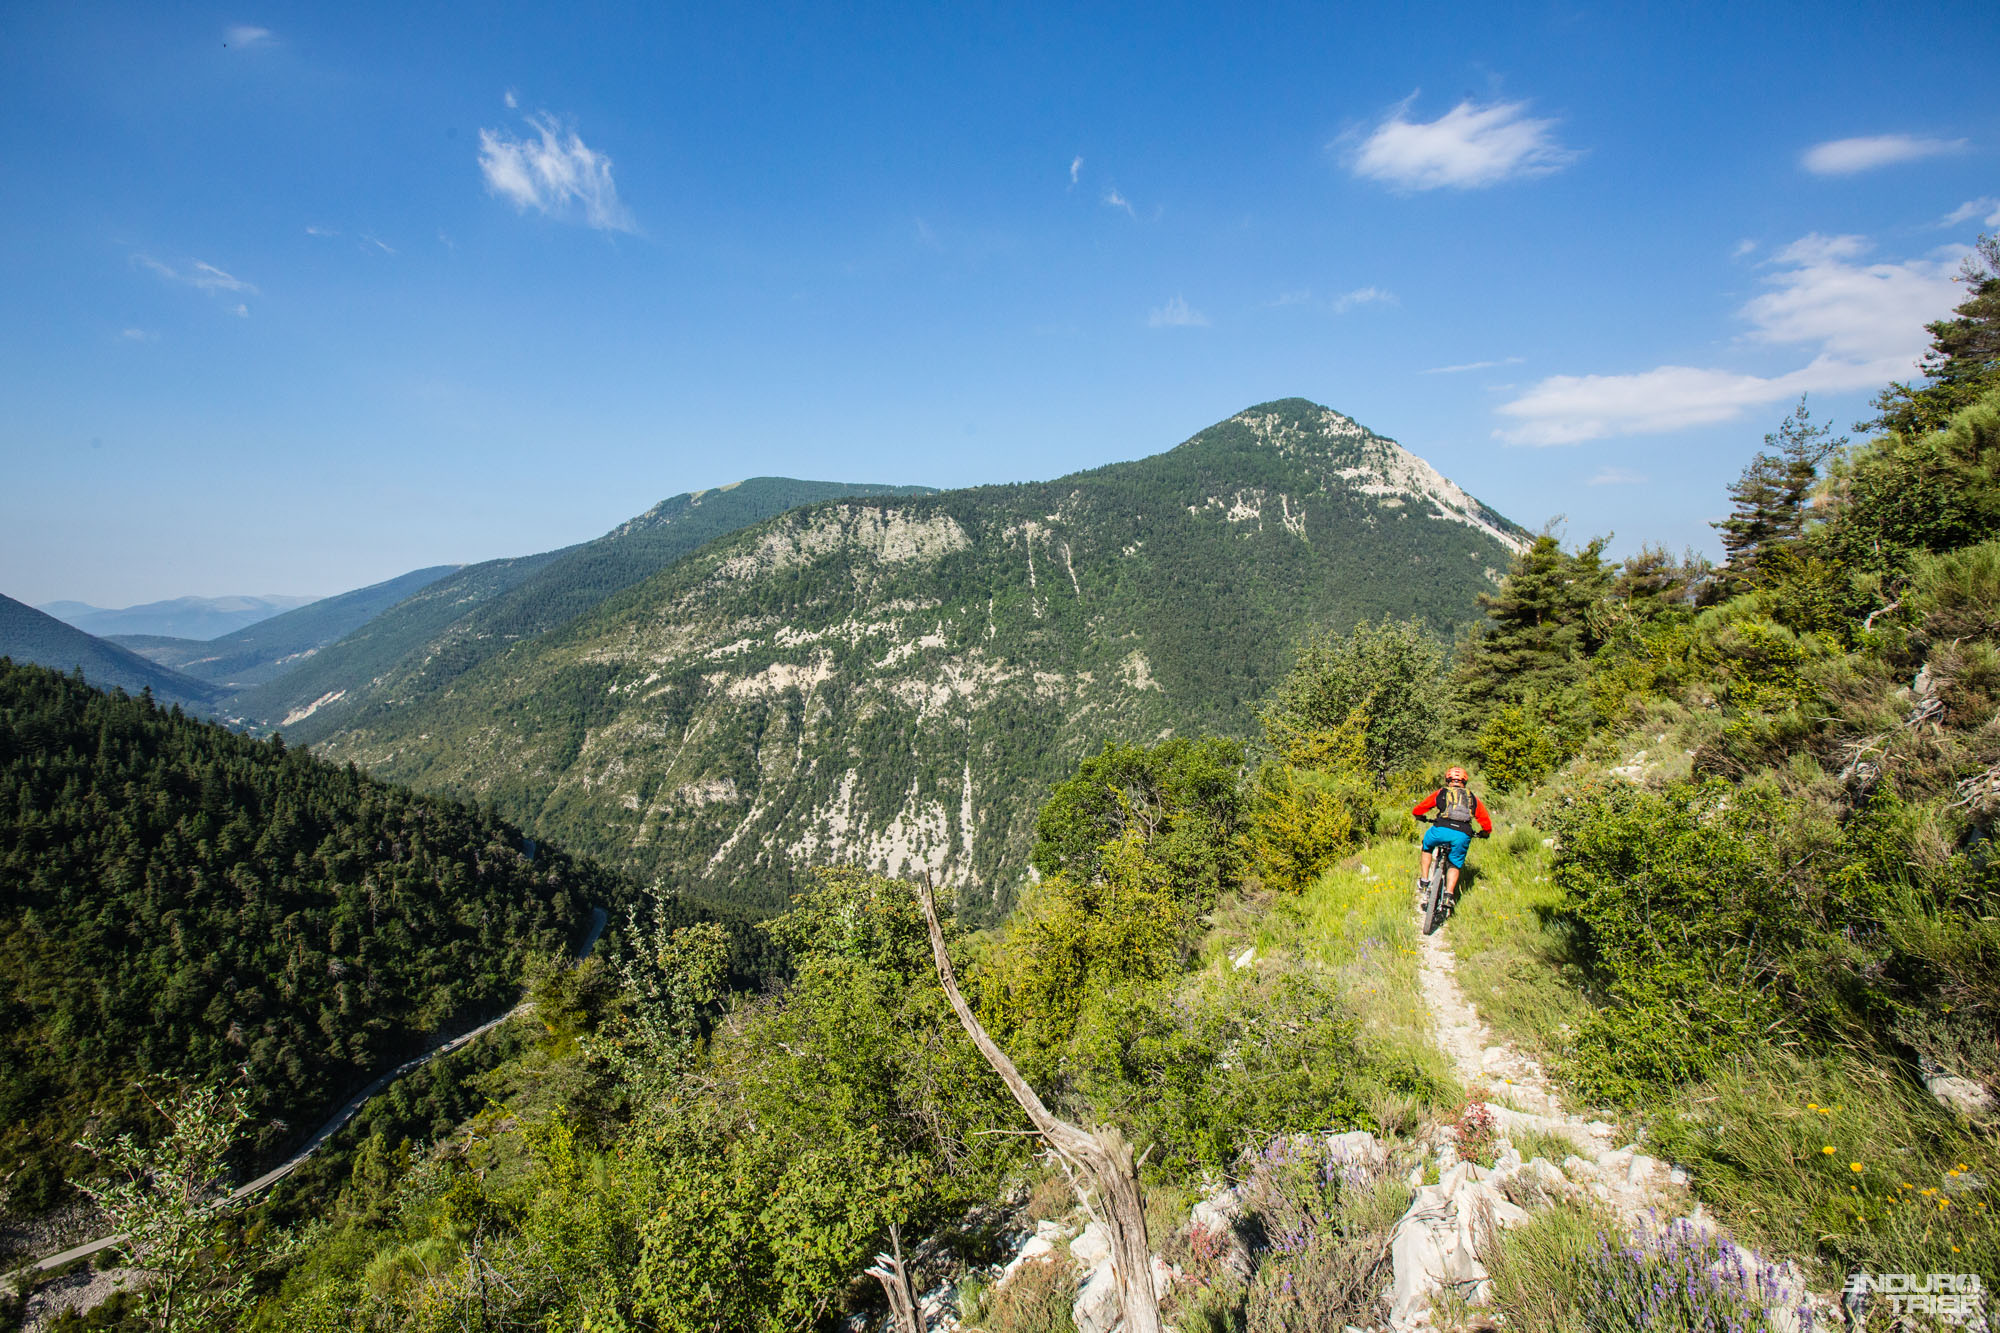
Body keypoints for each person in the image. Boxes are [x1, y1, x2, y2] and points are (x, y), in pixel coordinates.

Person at [1412, 767, 1492, 906]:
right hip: (1462, 834)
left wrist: (1420, 816)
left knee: (1427, 845)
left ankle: (1424, 881)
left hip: (1440, 830)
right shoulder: (1472, 797)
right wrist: (1484, 833)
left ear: (1447, 780)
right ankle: (1449, 895)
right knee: (1455, 863)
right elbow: (1486, 822)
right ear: (1464, 782)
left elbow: (1418, 809)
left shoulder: (1441, 792)